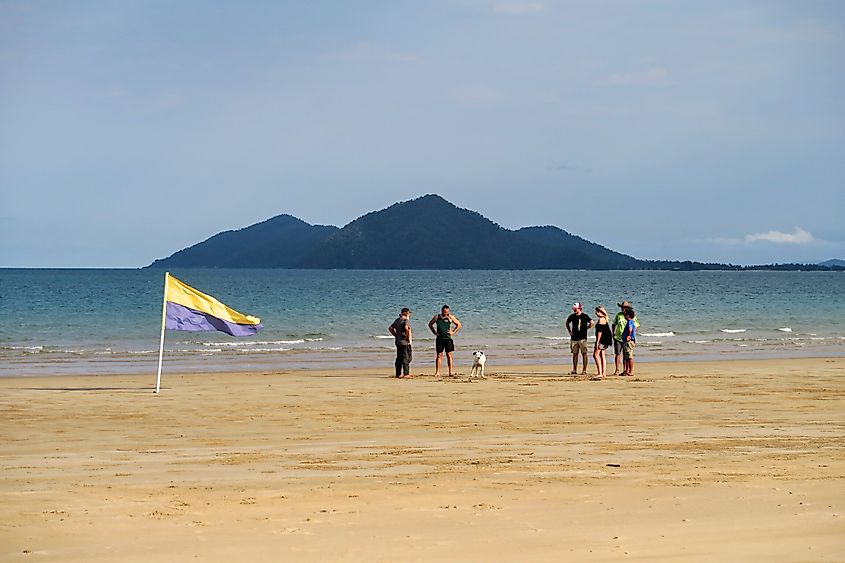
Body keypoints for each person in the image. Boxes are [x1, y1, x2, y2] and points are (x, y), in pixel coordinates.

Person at [428, 304, 462, 377]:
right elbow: (430, 324)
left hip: (448, 339)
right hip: (439, 339)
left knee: (449, 355)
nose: (445, 313)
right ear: (442, 311)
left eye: (447, 312)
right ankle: (437, 372)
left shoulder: (450, 317)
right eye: (444, 311)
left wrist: (453, 332)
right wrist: (434, 332)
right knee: (439, 355)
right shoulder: (437, 317)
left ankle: (450, 372)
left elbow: (459, 324)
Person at [612, 301, 640, 376]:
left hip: (627, 339)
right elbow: (614, 324)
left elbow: (636, 326)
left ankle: (626, 370)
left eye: (624, 308)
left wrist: (630, 334)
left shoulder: (631, 316)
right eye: (622, 307)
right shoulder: (619, 315)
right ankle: (617, 369)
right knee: (617, 354)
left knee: (626, 355)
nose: (622, 309)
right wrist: (613, 333)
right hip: (618, 337)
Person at [565, 303, 593, 375]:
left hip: (583, 338)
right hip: (574, 338)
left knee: (584, 353)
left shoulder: (584, 316)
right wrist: (570, 331)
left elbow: (592, 322)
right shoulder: (572, 316)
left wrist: (587, 328)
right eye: (574, 309)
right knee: (575, 354)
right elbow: (567, 323)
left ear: (580, 308)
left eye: (575, 309)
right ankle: (574, 369)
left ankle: (584, 370)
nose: (574, 310)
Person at [388, 308, 413, 379]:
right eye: (409, 313)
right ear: (406, 313)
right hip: (405, 342)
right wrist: (407, 336)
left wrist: (395, 335)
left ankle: (398, 373)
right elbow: (406, 328)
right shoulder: (405, 320)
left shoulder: (397, 320)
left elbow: (390, 328)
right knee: (406, 357)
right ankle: (406, 373)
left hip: (398, 342)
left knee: (399, 358)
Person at [592, 305, 613, 380]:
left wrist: (597, 341)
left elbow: (599, 332)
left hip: (602, 340)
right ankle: (603, 373)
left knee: (595, 355)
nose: (596, 313)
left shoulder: (601, 319)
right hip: (606, 339)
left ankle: (600, 373)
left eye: (597, 311)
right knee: (602, 355)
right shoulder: (605, 319)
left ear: (600, 312)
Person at [621, 307, 637, 376]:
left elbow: (630, 329)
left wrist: (628, 335)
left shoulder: (630, 322)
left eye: (625, 315)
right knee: (626, 357)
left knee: (629, 356)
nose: (624, 316)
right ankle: (627, 370)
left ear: (628, 315)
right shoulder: (631, 322)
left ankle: (630, 371)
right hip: (627, 341)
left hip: (628, 341)